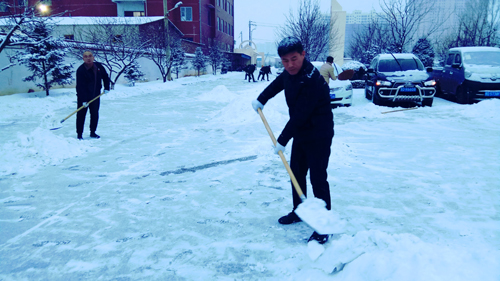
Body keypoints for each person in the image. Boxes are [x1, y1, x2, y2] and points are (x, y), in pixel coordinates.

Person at [251, 37, 334, 244]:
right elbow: (278, 83)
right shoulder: (289, 73)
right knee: (296, 174)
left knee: (317, 178)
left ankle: (325, 224)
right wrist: (262, 98)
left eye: (294, 59)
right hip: (302, 132)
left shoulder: (312, 80)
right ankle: (299, 211)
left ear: (303, 54)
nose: (289, 64)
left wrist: (282, 140)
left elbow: (300, 115)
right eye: (285, 60)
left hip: (319, 134)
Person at [75, 51, 110, 140]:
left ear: (93, 57)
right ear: (83, 59)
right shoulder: (80, 70)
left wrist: (106, 87)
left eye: (90, 56)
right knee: (81, 115)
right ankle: (79, 134)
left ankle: (93, 132)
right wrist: (83, 100)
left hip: (95, 95)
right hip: (83, 97)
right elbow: (80, 86)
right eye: (86, 56)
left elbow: (105, 77)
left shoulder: (98, 66)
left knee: (94, 114)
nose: (88, 58)